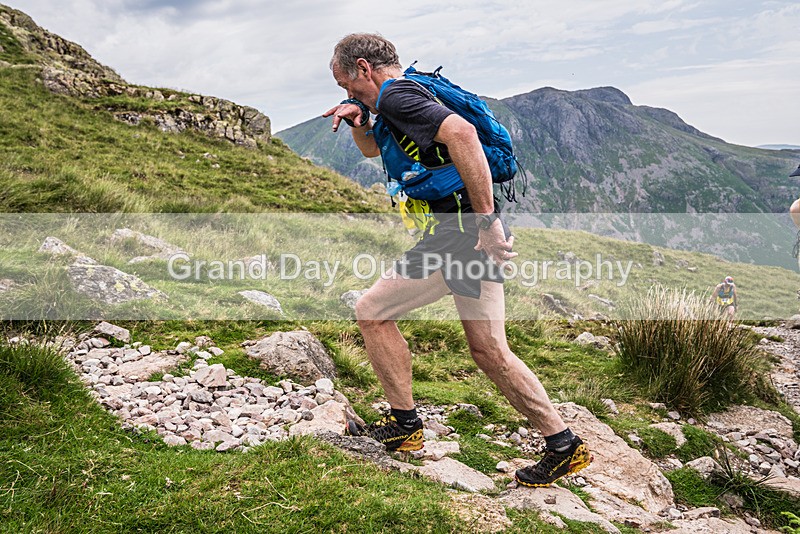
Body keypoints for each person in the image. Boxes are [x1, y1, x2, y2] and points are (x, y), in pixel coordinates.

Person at [323, 33, 591, 487]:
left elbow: (463, 135)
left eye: (347, 85)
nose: (347, 94)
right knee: (490, 351)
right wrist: (358, 118)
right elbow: (373, 150)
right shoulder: (406, 91)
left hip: (460, 232)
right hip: (464, 232)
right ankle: (563, 445)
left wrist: (486, 222)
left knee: (371, 311)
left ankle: (405, 427)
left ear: (364, 68)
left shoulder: (399, 95)